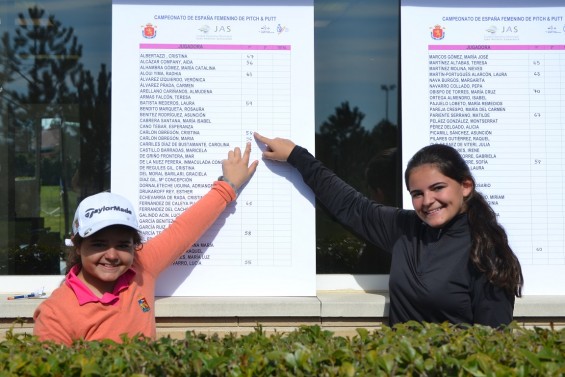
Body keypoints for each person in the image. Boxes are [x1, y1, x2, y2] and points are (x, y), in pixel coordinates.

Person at [254, 132, 523, 328]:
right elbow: (350, 205)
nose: (427, 201)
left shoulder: (487, 253)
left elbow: (493, 345)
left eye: (438, 188)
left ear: (465, 186)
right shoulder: (405, 229)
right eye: (417, 193)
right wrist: (296, 156)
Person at [33, 143, 259, 345]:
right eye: (99, 244)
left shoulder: (140, 267)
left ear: (134, 245)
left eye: (123, 245)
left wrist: (228, 186)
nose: (112, 255)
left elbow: (183, 230)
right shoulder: (56, 312)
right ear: (78, 245)